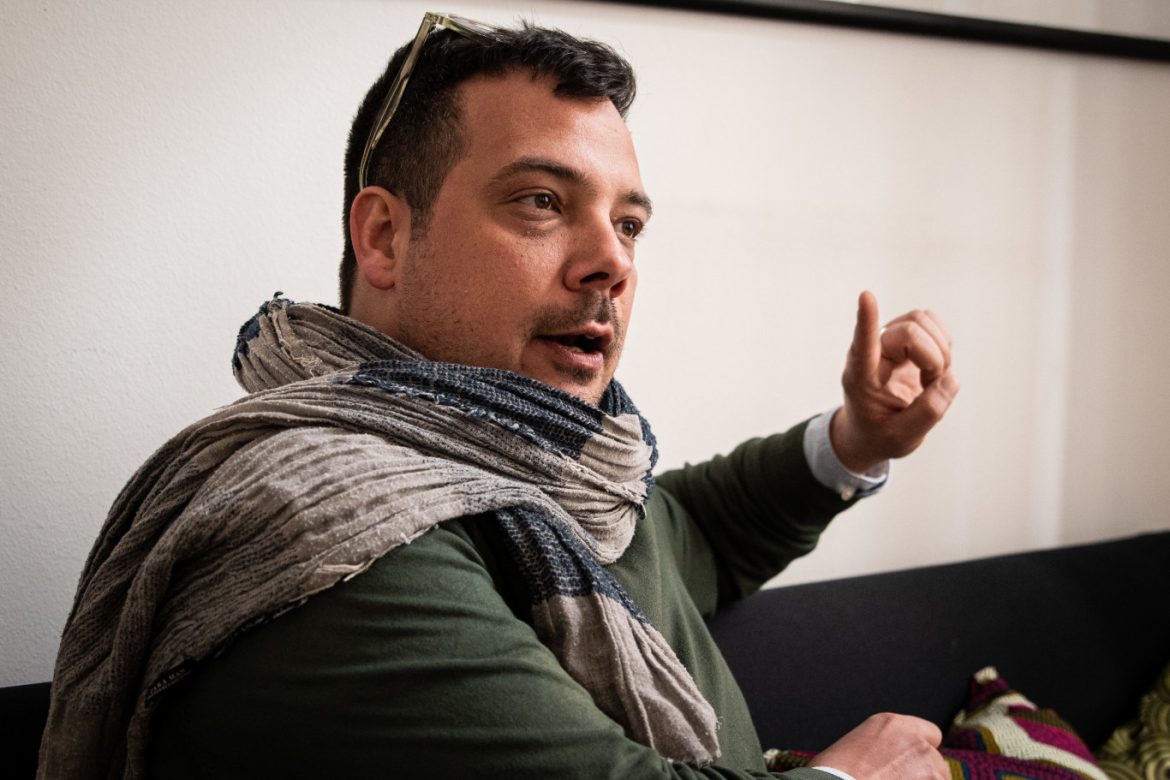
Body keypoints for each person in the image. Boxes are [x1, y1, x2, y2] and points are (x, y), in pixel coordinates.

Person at [38, 14, 958, 780]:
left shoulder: (552, 474)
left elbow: (686, 536)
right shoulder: (338, 530)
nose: (612, 261)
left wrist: (855, 439)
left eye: (628, 222)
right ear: (385, 238)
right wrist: (851, 778)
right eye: (541, 201)